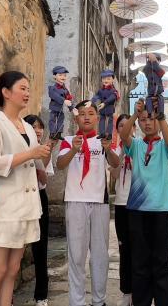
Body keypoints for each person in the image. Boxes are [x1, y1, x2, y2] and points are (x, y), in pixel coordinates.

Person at [0, 71, 53, 306]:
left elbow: (35, 164)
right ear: (6, 93)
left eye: (28, 88)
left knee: (12, 269)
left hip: (27, 209)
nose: (27, 93)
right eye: (22, 88)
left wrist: (44, 153)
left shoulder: (28, 128)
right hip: (4, 209)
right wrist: (31, 153)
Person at [56, 100, 120, 306]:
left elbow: (115, 164)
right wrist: (74, 149)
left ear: (98, 118)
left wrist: (108, 149)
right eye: (82, 113)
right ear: (76, 118)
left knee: (100, 254)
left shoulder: (105, 140)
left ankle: (99, 300)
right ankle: (77, 301)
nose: (86, 117)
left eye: (91, 113)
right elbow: (60, 164)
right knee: (76, 254)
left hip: (99, 202)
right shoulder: (68, 140)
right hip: (75, 201)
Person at [118, 99, 168, 306]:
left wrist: (161, 117)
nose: (147, 123)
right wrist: (135, 113)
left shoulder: (163, 146)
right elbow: (123, 135)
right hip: (137, 209)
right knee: (140, 261)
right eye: (143, 120)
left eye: (151, 119)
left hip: (161, 209)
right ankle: (141, 301)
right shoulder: (136, 146)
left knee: (162, 260)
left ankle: (163, 301)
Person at [24, 114, 57, 306]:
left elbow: (43, 180)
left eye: (40, 127)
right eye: (34, 127)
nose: (38, 130)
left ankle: (41, 295)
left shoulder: (44, 150)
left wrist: (44, 156)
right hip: (21, 197)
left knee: (41, 246)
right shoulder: (19, 148)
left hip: (39, 196)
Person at [111, 114, 136, 306]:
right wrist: (121, 153)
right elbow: (114, 175)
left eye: (128, 125)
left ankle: (140, 290)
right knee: (124, 249)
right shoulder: (114, 150)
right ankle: (126, 291)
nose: (124, 128)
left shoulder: (141, 147)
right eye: (121, 126)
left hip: (138, 204)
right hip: (121, 204)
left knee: (140, 250)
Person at [91, 69, 120, 140]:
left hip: (109, 107)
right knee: (101, 120)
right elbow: (97, 96)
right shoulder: (101, 90)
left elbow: (112, 97)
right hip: (102, 108)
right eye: (104, 78)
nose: (106, 80)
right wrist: (91, 101)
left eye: (108, 78)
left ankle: (109, 134)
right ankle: (102, 133)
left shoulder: (114, 91)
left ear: (112, 79)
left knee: (110, 121)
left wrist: (104, 103)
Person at [48, 66, 74, 140]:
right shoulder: (52, 88)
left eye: (64, 75)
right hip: (53, 107)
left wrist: (72, 108)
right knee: (52, 120)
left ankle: (58, 133)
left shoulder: (65, 89)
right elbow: (54, 96)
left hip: (60, 108)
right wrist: (63, 100)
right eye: (60, 75)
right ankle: (52, 133)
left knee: (60, 120)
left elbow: (69, 98)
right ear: (54, 76)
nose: (63, 77)